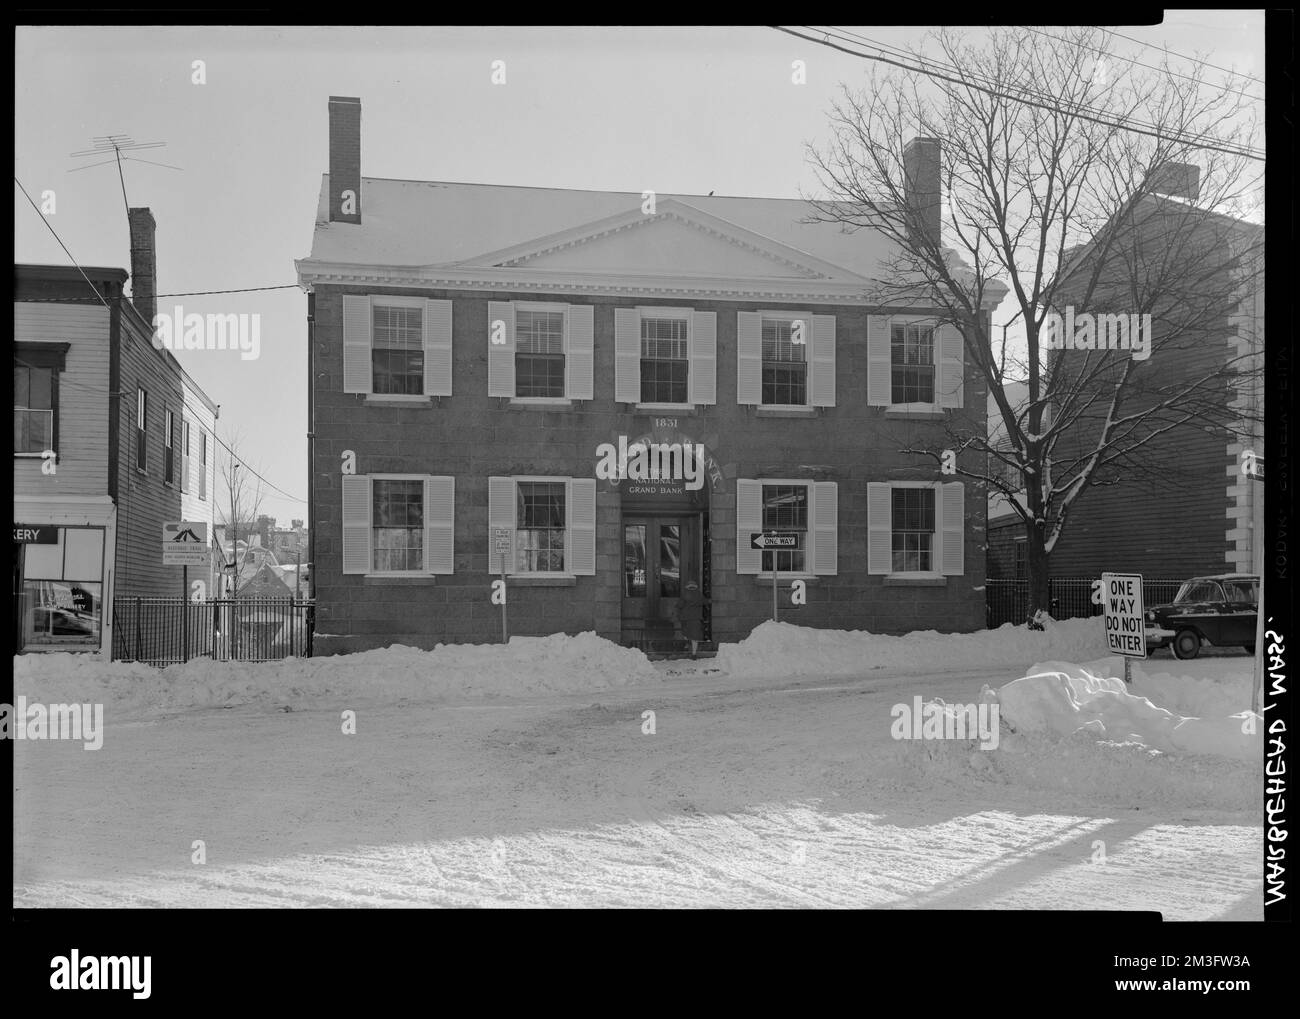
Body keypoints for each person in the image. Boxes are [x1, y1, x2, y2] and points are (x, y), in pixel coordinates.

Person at [672, 580, 705, 659]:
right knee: (695, 636)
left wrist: (676, 613)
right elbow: (704, 602)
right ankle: (694, 653)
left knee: (685, 633)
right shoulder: (699, 594)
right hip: (696, 618)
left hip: (685, 618)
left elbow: (679, 605)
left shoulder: (685, 594)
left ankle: (687, 644)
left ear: (687, 586)